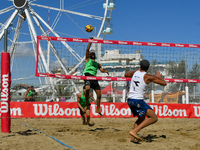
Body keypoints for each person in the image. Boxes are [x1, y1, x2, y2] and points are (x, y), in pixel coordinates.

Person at [124, 59, 167, 142]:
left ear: (140, 66)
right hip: (137, 101)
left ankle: (132, 138)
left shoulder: (134, 73)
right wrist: (159, 77)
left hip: (129, 100)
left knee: (141, 118)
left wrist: (137, 70)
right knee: (154, 118)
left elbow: (126, 74)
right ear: (148, 68)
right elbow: (164, 83)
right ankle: (134, 131)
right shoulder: (148, 76)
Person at [84, 37, 109, 116]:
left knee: (99, 94)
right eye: (91, 53)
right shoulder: (88, 60)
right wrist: (90, 42)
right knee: (87, 89)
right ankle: (86, 104)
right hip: (88, 76)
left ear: (95, 55)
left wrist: (105, 71)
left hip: (94, 78)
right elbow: (87, 50)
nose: (92, 54)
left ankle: (98, 108)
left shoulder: (97, 64)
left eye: (93, 53)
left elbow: (101, 69)